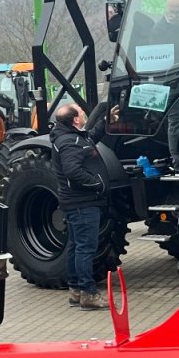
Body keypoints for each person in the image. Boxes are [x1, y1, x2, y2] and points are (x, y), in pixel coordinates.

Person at [50, 101, 116, 309]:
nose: (83, 112)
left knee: (76, 246)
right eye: (79, 111)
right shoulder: (69, 142)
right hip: (82, 203)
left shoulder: (73, 137)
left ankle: (76, 290)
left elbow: (90, 139)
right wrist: (97, 184)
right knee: (86, 248)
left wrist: (107, 120)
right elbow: (72, 171)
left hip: (76, 203)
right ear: (75, 119)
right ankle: (88, 293)